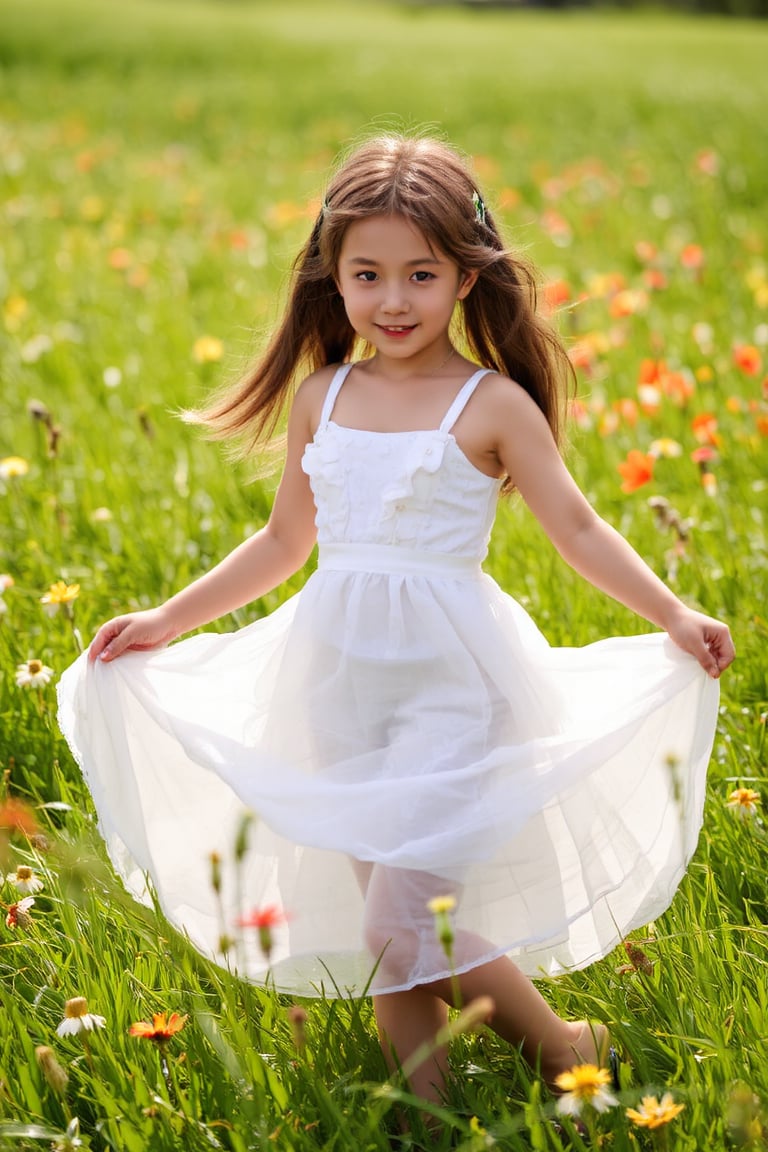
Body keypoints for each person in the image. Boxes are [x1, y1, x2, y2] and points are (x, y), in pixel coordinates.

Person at [58, 134, 734, 1108]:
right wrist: (168, 617)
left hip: (454, 685)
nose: (394, 301)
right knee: (405, 935)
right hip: (336, 683)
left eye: (421, 274)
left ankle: (562, 1044)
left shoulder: (490, 404)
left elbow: (577, 524)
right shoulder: (322, 398)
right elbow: (284, 543)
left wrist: (671, 611)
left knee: (399, 921)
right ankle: (431, 1109)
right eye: (367, 275)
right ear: (331, 279)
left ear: (467, 275)